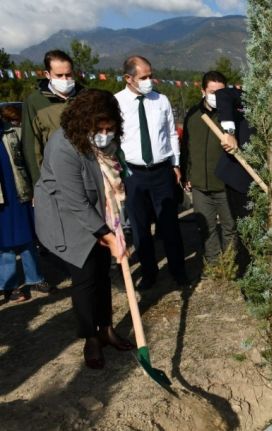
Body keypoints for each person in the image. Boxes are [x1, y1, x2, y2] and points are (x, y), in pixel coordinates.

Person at [34, 89, 135, 369]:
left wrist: (110, 230)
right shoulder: (63, 146)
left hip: (98, 212)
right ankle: (90, 337)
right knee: (85, 277)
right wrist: (107, 235)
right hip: (67, 218)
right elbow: (75, 201)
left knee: (102, 273)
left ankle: (107, 329)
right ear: (83, 124)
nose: (104, 134)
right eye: (98, 129)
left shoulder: (105, 146)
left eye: (109, 128)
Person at [115, 56, 188, 289]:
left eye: (150, 75)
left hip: (161, 171)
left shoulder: (161, 100)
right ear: (128, 78)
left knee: (169, 225)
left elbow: (171, 133)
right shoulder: (116, 102)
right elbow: (113, 140)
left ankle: (178, 271)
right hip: (133, 173)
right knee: (140, 227)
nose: (149, 81)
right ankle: (149, 273)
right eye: (143, 77)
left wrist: (175, 164)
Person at [180, 71, 236, 264]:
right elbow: (185, 147)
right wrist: (185, 174)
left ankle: (230, 263)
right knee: (206, 227)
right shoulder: (193, 115)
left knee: (230, 226)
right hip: (199, 185)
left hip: (225, 184)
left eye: (221, 92)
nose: (216, 97)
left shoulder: (232, 116)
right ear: (203, 90)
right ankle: (213, 263)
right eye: (212, 92)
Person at [1, 105, 50, 303]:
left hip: (18, 191)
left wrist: (35, 188)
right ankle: (9, 284)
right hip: (1, 199)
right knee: (4, 244)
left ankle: (35, 278)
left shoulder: (13, 131)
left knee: (28, 236)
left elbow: (29, 161)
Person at [21, 50, 84, 186]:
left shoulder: (86, 96)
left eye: (68, 75)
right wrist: (38, 183)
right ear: (47, 74)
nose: (65, 80)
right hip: (55, 177)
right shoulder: (34, 101)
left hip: (87, 173)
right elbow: (32, 146)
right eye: (59, 75)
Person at [214, 86, 256, 278]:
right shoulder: (245, 96)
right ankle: (247, 277)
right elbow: (223, 95)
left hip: (267, 179)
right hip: (239, 176)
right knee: (245, 229)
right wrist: (229, 132)